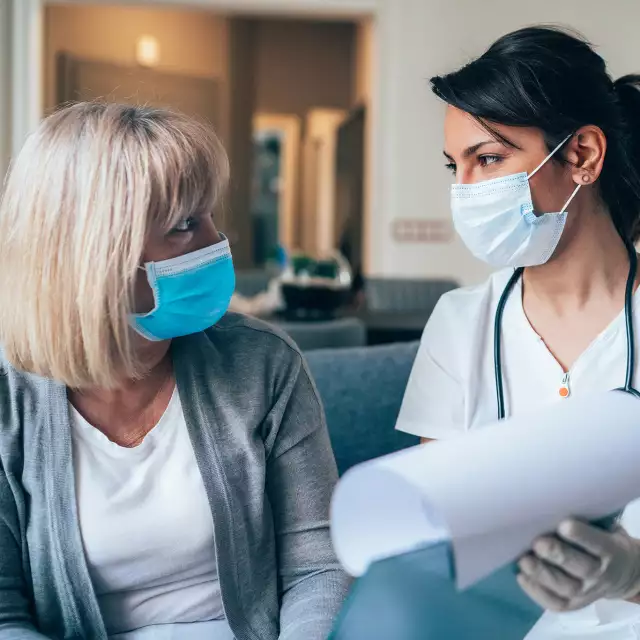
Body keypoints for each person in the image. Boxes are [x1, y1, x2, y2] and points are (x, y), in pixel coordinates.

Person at [0, 102, 349, 639]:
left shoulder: (263, 364)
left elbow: (318, 565)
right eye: (185, 226)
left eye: (210, 215)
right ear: (94, 255)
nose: (218, 243)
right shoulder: (9, 402)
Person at [395, 26, 640, 638]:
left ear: (582, 154)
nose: (465, 191)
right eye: (456, 166)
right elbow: (442, 535)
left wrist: (631, 575)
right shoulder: (459, 325)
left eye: (489, 159)